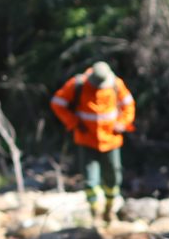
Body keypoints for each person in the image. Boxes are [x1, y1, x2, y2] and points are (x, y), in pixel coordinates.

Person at [50, 61, 136, 224]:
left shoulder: (116, 85)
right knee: (90, 179)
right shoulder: (78, 85)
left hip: (111, 140)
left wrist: (123, 123)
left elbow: (128, 105)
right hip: (86, 140)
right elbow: (57, 103)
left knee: (113, 177)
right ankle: (95, 212)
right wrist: (74, 123)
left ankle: (109, 209)